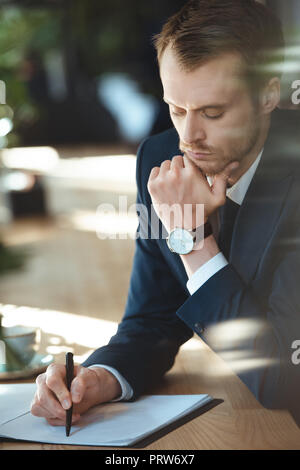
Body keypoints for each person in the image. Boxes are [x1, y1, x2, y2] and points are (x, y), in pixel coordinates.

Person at [31, 0, 300, 427]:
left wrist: (191, 239)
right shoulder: (160, 160)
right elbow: (152, 319)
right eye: (176, 109)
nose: (189, 137)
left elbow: (281, 379)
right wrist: (100, 378)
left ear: (268, 95)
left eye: (213, 113)